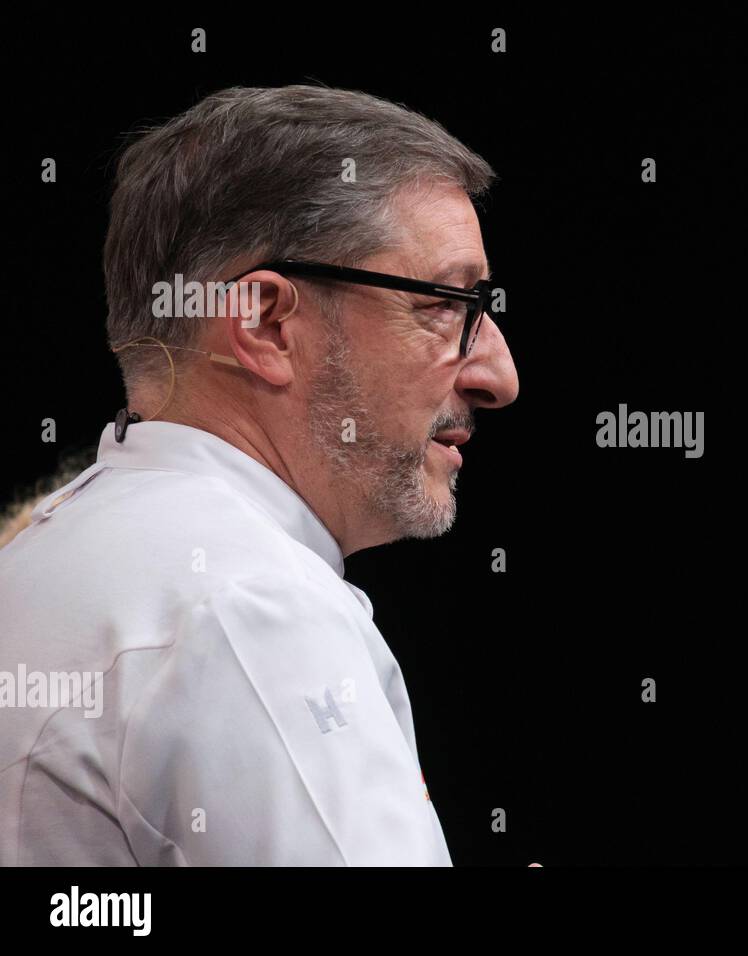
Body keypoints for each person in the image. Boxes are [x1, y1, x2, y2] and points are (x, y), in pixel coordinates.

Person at [0, 84, 519, 865]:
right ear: (266, 323)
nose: (497, 374)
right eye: (449, 304)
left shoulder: (43, 556)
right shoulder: (249, 609)